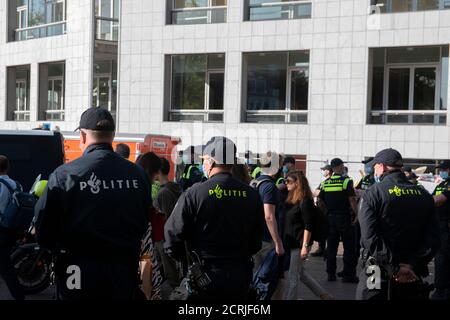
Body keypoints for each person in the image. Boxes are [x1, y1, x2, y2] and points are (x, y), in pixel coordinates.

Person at [34, 107, 153, 300]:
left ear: (82, 136)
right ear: (112, 135)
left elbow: (44, 230)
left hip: (77, 270)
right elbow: (145, 219)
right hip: (123, 269)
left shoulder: (65, 174)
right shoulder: (137, 175)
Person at [164, 137, 264, 300]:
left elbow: (172, 236)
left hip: (204, 277)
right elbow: (257, 240)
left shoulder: (194, 193)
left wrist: (188, 261)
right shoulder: (252, 195)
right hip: (239, 276)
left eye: (204, 161)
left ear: (210, 161)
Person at [357, 149, 440, 300]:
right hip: (412, 272)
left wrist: (394, 267)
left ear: (381, 167)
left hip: (376, 270)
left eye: (374, 167)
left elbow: (370, 237)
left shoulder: (373, 193)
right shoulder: (424, 195)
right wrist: (411, 265)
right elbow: (434, 238)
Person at [283, 171, 333, 300]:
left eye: (288, 181)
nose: (286, 183)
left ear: (297, 183)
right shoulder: (291, 199)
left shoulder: (305, 201)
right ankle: (324, 295)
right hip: (292, 242)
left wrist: (305, 246)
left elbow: (308, 226)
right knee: (301, 274)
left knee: (293, 275)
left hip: (300, 244)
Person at [319, 158, 359, 283]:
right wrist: (357, 214)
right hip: (344, 218)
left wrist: (326, 214)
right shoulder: (346, 181)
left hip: (330, 218)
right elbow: (352, 199)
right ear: (341, 166)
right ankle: (348, 274)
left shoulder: (325, 183)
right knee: (348, 247)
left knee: (331, 247)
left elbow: (321, 201)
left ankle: (330, 274)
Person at [136, 152, 164, 300]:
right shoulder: (143, 198)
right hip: (143, 265)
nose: (156, 179)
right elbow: (145, 256)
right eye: (155, 175)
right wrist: (147, 291)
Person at [252, 151, 286, 273]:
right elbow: (269, 216)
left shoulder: (254, 183)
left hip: (253, 237)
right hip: (266, 239)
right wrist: (278, 242)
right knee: (268, 277)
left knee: (255, 276)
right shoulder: (269, 187)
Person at [153, 157, 182, 289]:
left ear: (158, 171)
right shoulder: (175, 188)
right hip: (169, 237)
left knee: (171, 275)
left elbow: (167, 217)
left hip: (164, 238)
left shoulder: (163, 192)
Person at [0, 155, 25, 300]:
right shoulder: (16, 184)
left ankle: (19, 296)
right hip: (11, 230)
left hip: (1, 229)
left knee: (6, 268)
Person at [431, 160, 450, 300]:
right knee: (440, 259)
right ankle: (440, 288)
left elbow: (437, 200)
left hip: (447, 227)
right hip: (439, 226)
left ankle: (443, 290)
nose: (441, 172)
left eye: (443, 169)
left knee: (443, 260)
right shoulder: (442, 184)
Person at [311, 164, 332, 257]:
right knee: (322, 229)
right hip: (323, 209)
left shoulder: (327, 182)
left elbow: (316, 192)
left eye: (324, 170)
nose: (323, 171)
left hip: (326, 210)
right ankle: (322, 248)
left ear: (329, 171)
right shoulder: (324, 182)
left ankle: (324, 249)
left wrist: (316, 193)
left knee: (326, 230)